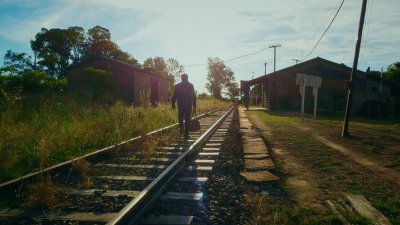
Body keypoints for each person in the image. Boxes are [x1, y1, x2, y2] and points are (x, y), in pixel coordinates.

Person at [171, 73, 196, 138]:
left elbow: (174, 96)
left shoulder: (178, 86)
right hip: (188, 105)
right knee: (187, 119)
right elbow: (194, 96)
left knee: (180, 118)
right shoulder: (190, 85)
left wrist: (173, 104)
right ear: (187, 78)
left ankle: (182, 130)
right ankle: (186, 134)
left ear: (181, 78)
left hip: (181, 105)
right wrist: (194, 106)